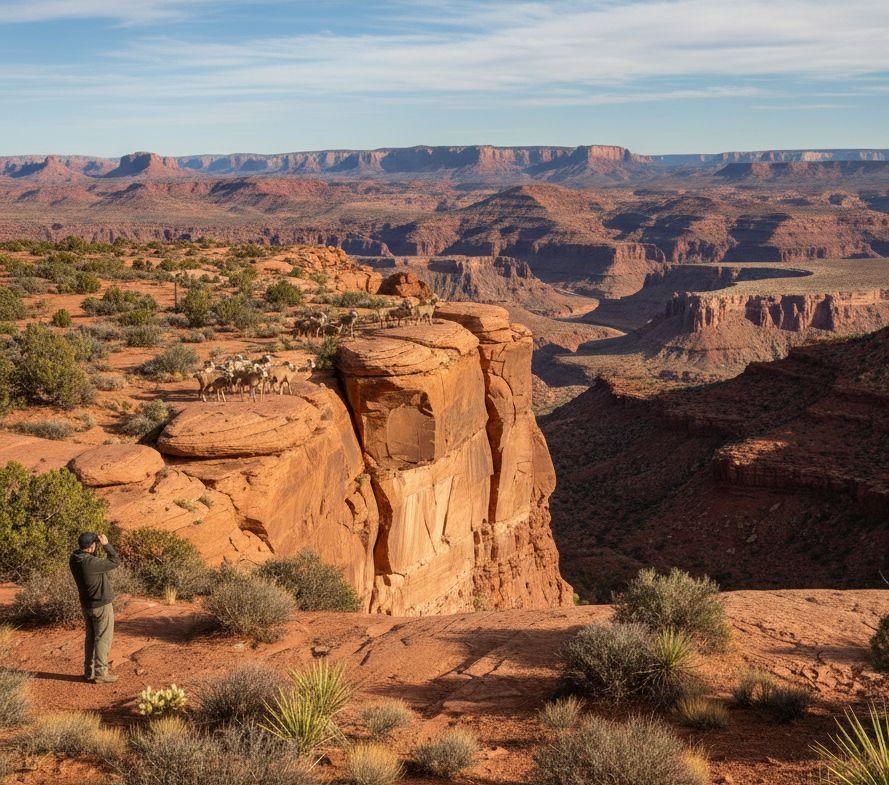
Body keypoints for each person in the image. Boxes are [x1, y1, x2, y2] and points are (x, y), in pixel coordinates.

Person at [69, 532, 120, 684]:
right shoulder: (91, 563)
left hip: (86, 605)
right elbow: (115, 561)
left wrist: (94, 546)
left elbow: (87, 554)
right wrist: (106, 545)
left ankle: (88, 671)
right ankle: (101, 673)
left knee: (90, 637)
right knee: (103, 638)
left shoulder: (74, 559)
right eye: (95, 544)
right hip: (101, 605)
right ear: (91, 546)